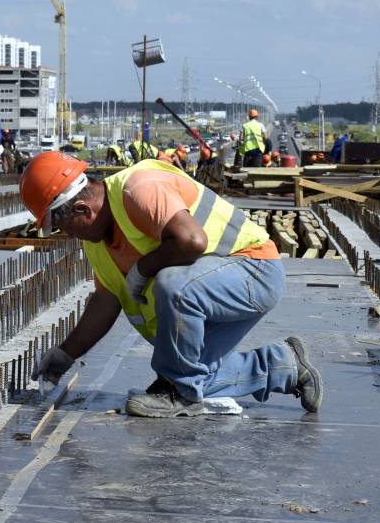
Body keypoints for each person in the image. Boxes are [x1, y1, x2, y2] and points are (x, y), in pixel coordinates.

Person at [21, 152, 323, 417]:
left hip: (254, 271)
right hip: (210, 296)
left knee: (172, 284)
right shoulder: (98, 243)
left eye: (65, 227)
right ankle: (284, 365)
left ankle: (179, 396)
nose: (70, 236)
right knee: (194, 376)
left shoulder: (139, 189)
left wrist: (142, 268)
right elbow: (106, 300)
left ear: (83, 210)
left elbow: (192, 241)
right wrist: (65, 354)